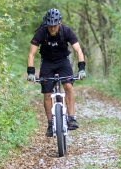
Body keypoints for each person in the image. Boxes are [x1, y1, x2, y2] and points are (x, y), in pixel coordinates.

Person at [27, 8, 86, 137]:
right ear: (46, 24)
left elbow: (78, 50)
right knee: (47, 93)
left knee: (68, 86)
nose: (52, 28)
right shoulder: (41, 33)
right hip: (47, 62)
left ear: (59, 23)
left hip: (63, 61)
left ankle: (71, 118)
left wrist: (82, 69)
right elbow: (31, 54)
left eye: (55, 25)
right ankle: (50, 123)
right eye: (50, 25)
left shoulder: (66, 31)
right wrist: (30, 72)